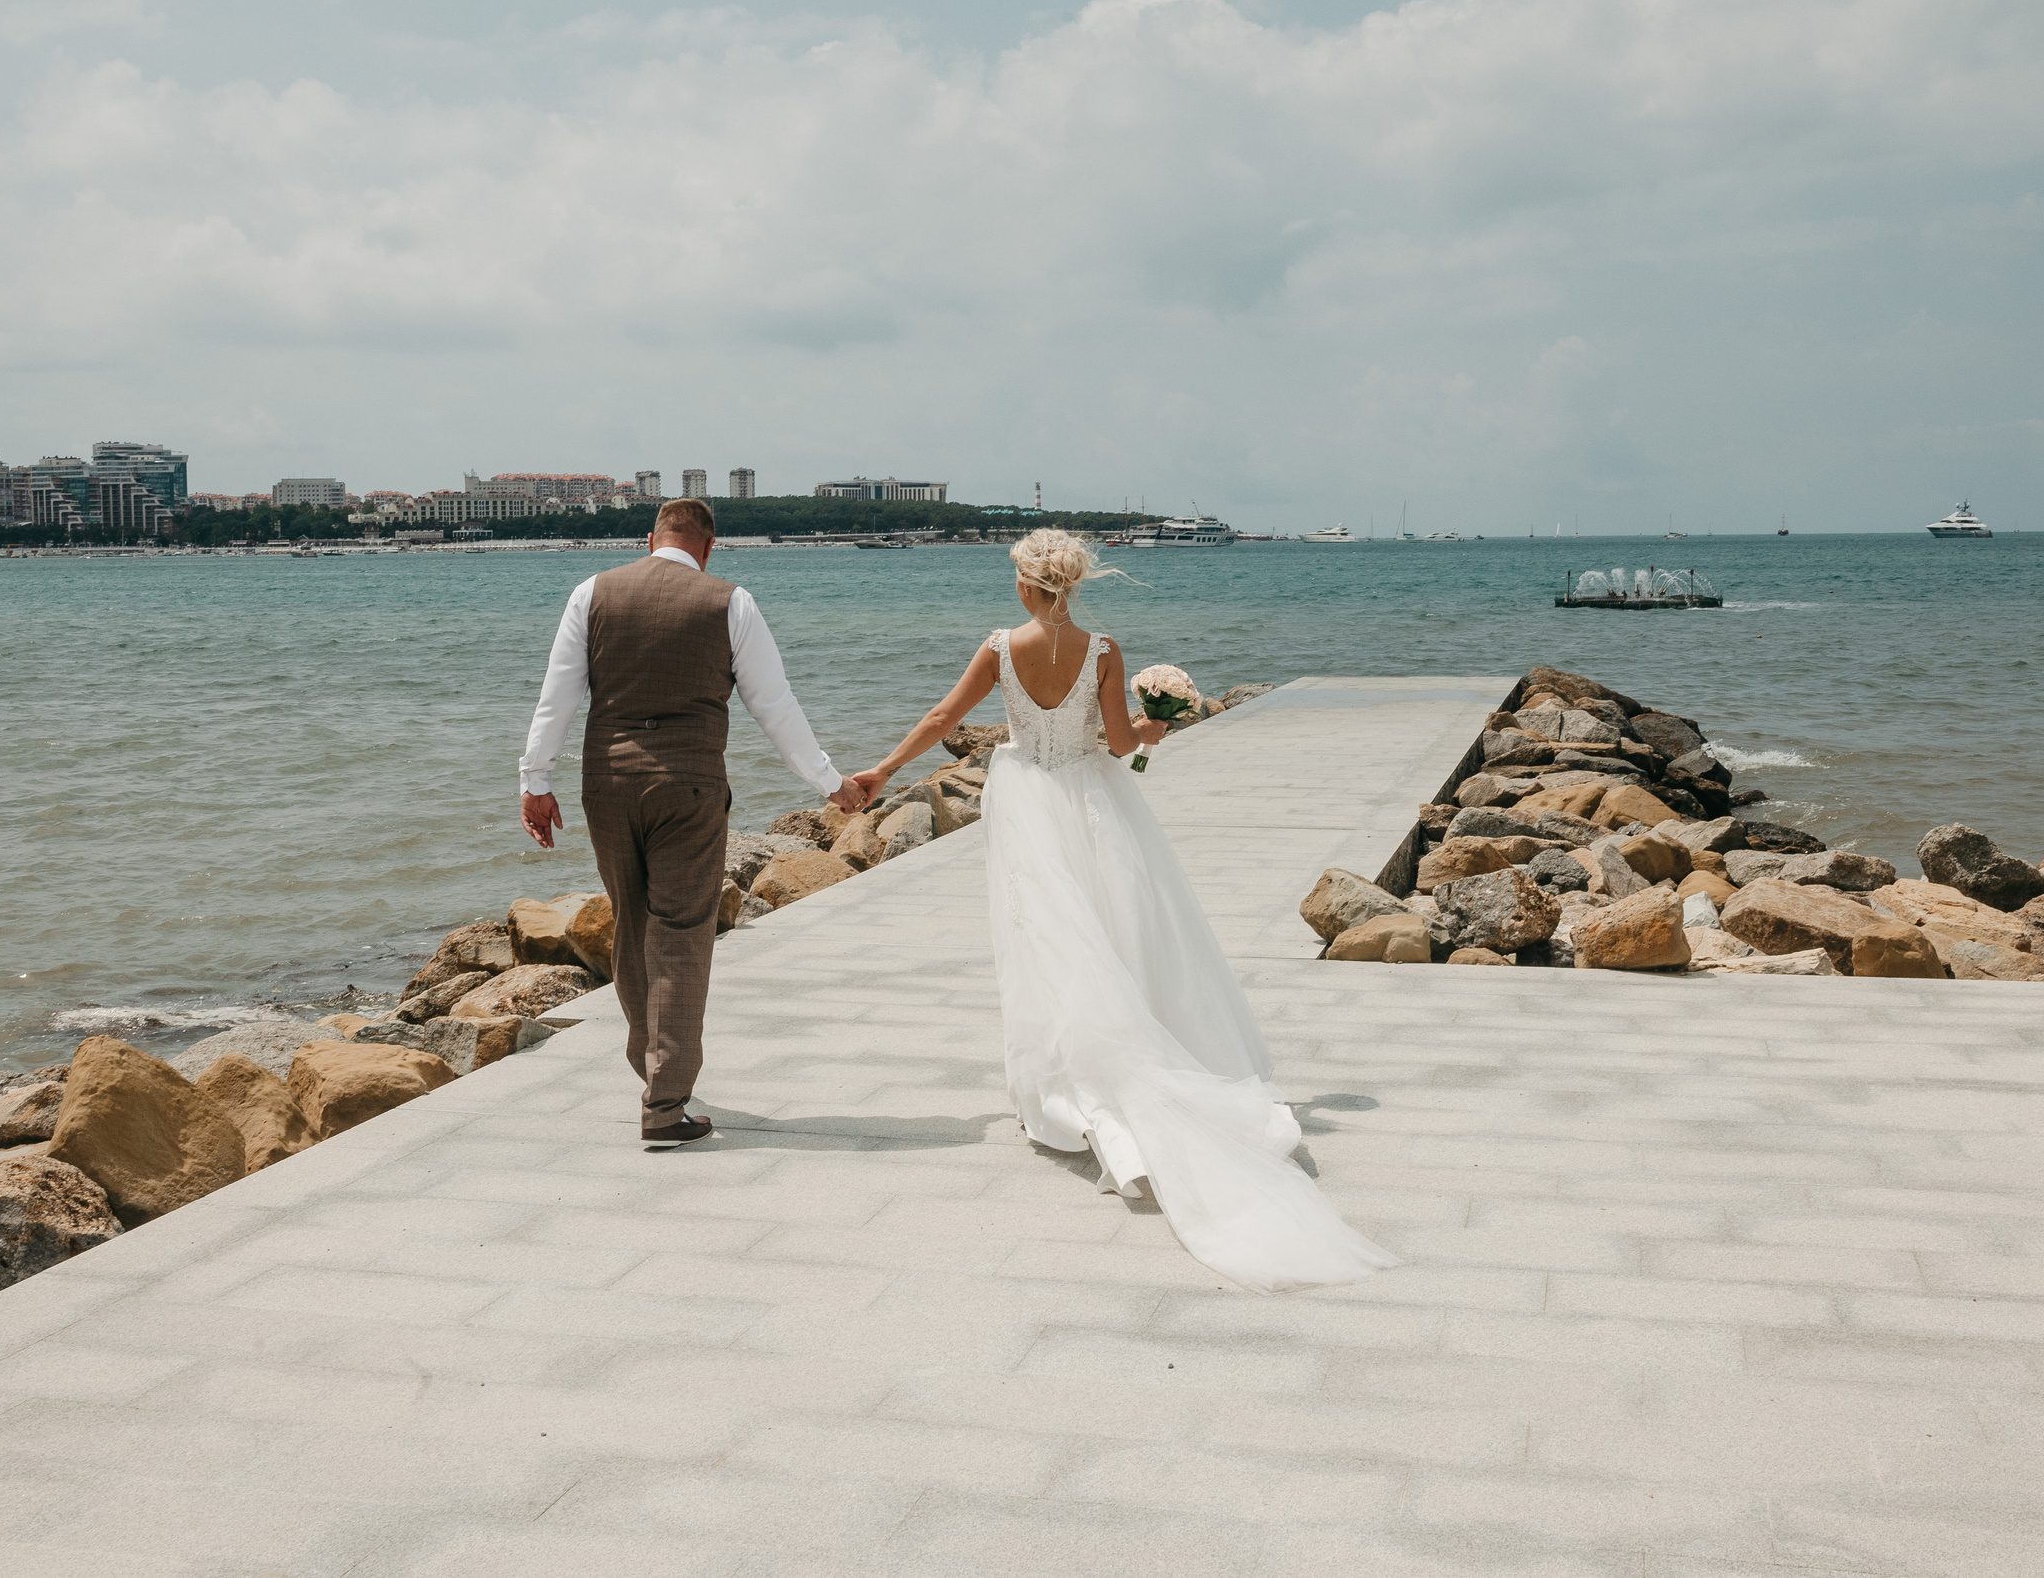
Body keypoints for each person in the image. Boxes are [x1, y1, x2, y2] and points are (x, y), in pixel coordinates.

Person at [852, 529, 1395, 1291]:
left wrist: (881, 769)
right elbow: (1116, 745)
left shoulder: (1000, 646)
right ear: (1068, 583)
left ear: (1026, 583)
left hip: (1026, 804)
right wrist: (1157, 724)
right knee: (1109, 932)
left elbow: (944, 717)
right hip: (1092, 803)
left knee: (1044, 940)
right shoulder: (1102, 649)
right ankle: (1109, 1067)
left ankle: (1060, 1088)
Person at [520, 498, 867, 1147]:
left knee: (632, 922)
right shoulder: (729, 602)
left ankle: (649, 1064)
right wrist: (832, 783)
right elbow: (775, 707)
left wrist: (535, 782)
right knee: (680, 933)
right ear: (710, 547)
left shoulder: (591, 593)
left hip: (609, 786)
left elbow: (558, 695)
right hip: (690, 786)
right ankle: (664, 1100)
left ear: (649, 539)